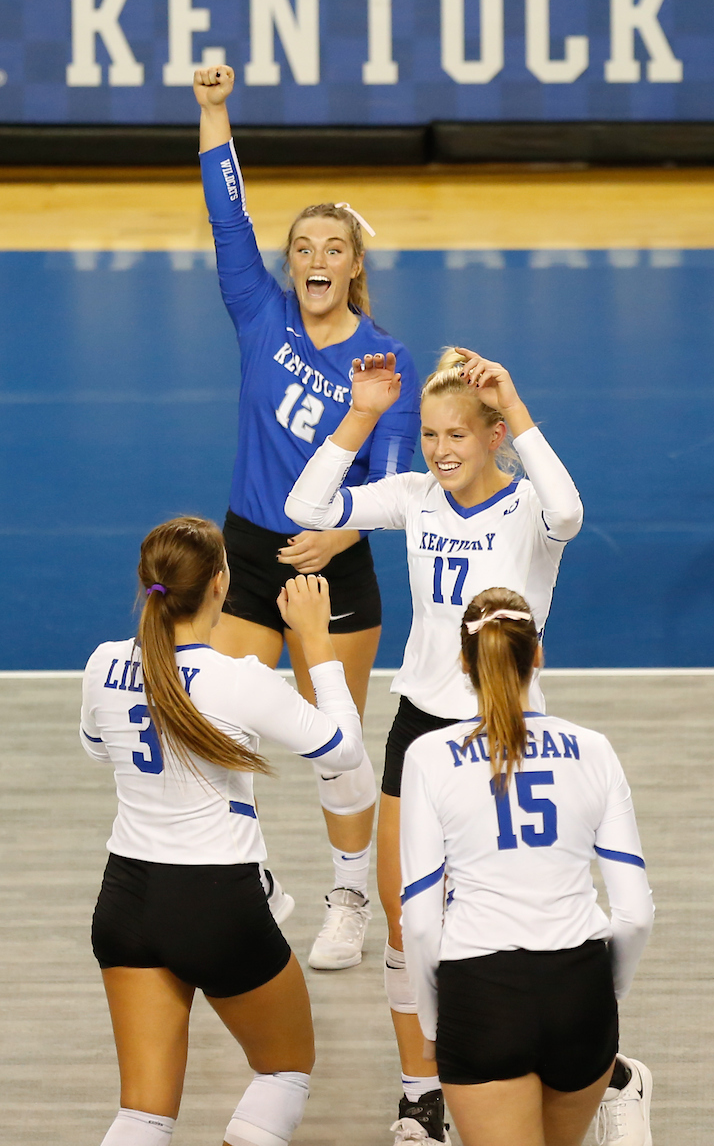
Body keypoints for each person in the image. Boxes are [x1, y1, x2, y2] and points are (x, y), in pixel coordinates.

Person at [285, 346, 593, 1143]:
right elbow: (308, 504)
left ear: (493, 437)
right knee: (404, 918)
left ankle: (580, 1070)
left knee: (507, 918)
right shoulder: (415, 498)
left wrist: (513, 402)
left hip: (504, 732)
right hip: (420, 729)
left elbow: (569, 512)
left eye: (458, 434)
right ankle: (420, 1095)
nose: (441, 450)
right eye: (428, 434)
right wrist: (363, 414)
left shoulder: (529, 510)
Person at [193, 64, 421, 970]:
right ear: (289, 263)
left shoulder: (385, 362)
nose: (315, 260)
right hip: (248, 554)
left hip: (334, 565)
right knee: (225, 727)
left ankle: (349, 897)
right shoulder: (260, 314)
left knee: (338, 747)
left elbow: (396, 483)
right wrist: (215, 112)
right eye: (302, 248)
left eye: (332, 248)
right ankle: (247, 876)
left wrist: (342, 534)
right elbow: (227, 217)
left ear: (355, 265)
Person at [81, 515, 365, 1146]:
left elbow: (99, 747)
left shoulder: (103, 663)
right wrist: (316, 644)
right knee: (283, 1072)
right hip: (216, 904)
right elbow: (343, 751)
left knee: (142, 1115)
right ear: (220, 583)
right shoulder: (240, 680)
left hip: (125, 900)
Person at [399, 587, 655, 1146]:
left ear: (464, 662)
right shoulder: (594, 749)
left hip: (480, 995)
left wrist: (432, 1024)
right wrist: (603, 995)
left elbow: (419, 923)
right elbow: (635, 914)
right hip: (580, 988)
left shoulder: (428, 758)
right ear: (536, 654)